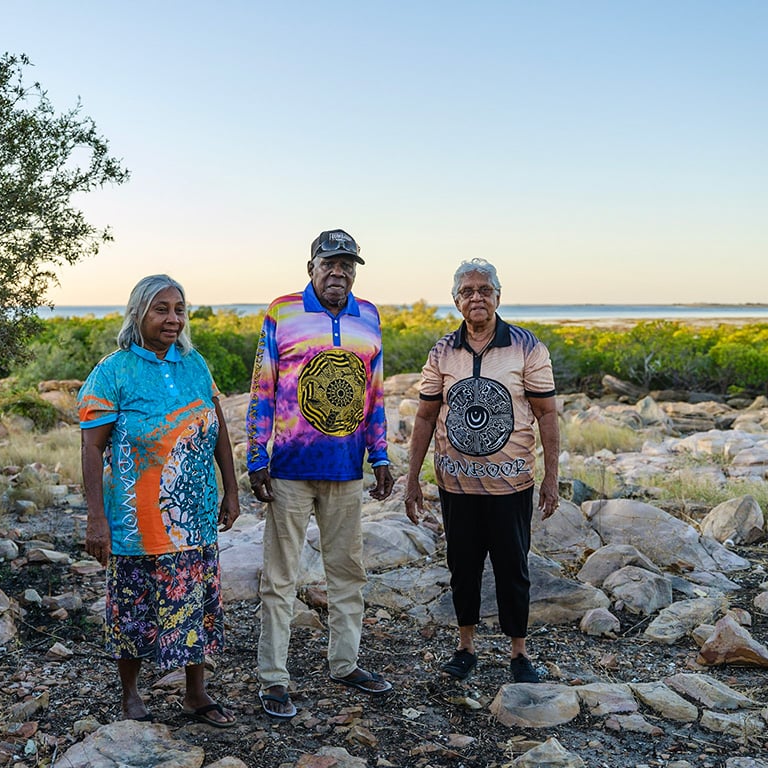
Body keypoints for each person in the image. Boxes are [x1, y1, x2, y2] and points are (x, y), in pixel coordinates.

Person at [78, 274, 240, 726]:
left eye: (179, 309)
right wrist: (97, 517)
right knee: (133, 608)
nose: (173, 319)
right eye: (161, 309)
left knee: (195, 603)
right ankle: (130, 695)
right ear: (138, 314)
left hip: (195, 514)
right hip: (136, 520)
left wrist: (231, 488)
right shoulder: (113, 371)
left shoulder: (195, 364)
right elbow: (92, 447)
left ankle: (196, 692)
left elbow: (219, 430)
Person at [247, 228, 395, 718]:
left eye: (347, 265)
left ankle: (345, 662)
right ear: (311, 266)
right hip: (289, 468)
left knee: (347, 571)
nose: (339, 272)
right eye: (329, 263)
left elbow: (374, 395)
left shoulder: (369, 315)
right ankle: (273, 677)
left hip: (346, 469)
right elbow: (262, 387)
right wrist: (256, 456)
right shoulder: (282, 311)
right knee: (280, 575)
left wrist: (381, 457)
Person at [403, 258, 560, 684]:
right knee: (463, 566)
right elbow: (424, 417)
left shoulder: (527, 347)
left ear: (497, 297)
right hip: (456, 484)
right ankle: (465, 647)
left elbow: (547, 414)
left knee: (514, 568)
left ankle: (519, 653)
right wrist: (413, 478)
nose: (477, 297)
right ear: (456, 301)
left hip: (511, 483)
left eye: (484, 290)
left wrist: (551, 476)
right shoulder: (442, 352)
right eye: (468, 291)